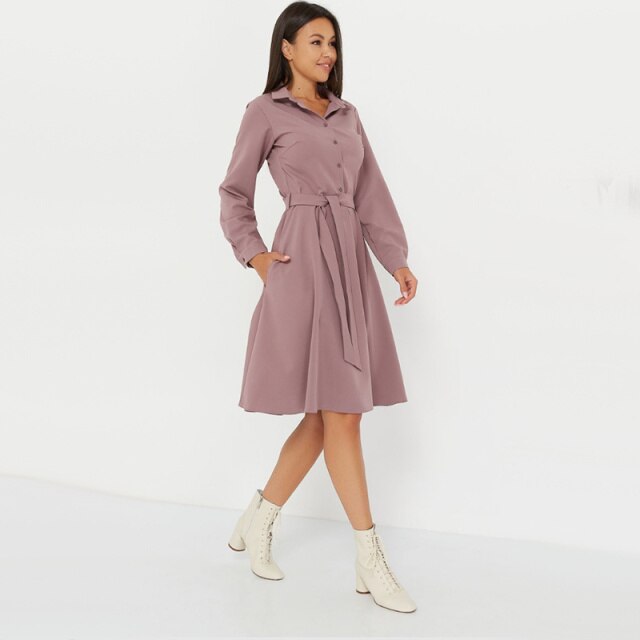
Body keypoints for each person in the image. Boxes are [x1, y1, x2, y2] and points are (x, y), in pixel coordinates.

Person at [218, 1, 418, 613]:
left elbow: (371, 194)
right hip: (301, 266)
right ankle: (370, 557)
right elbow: (234, 192)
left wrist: (395, 259)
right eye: (315, 41)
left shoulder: (349, 116)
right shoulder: (264, 112)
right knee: (341, 414)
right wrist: (255, 256)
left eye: (333, 42)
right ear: (287, 48)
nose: (328, 52)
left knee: (327, 415)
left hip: (350, 267)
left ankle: (259, 516)